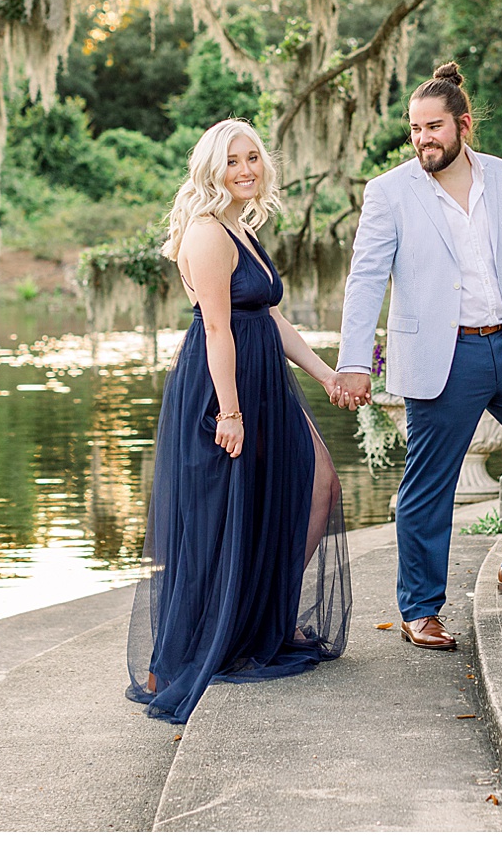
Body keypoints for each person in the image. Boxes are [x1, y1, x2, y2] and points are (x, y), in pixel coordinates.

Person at [332, 63, 502, 651]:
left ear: (463, 125)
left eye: (434, 127)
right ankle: (420, 609)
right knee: (430, 485)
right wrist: (353, 360)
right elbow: (365, 278)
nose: (423, 138)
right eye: (415, 128)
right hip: (440, 355)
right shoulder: (389, 192)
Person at [126, 118, 352, 723]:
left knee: (319, 486)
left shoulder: (240, 227)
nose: (246, 169)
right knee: (214, 520)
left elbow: (269, 320)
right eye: (233, 161)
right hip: (222, 388)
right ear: (211, 169)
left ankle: (260, 615)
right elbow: (219, 328)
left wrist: (325, 373)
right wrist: (230, 410)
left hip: (264, 380)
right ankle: (180, 653)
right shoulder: (205, 234)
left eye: (252, 157)